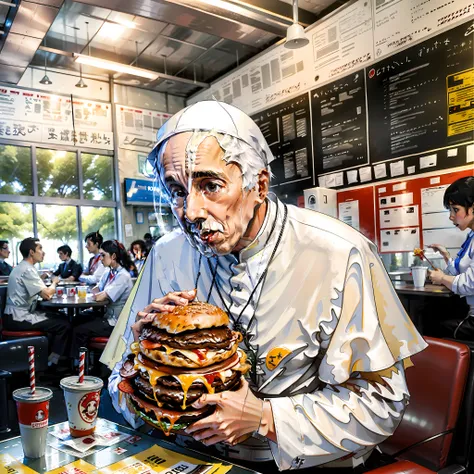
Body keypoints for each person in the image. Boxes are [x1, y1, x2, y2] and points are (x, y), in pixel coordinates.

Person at [106, 101, 427, 473]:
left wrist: (266, 417)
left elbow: (382, 404)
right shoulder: (166, 254)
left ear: (259, 185)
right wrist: (141, 360)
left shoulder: (339, 252)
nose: (190, 211)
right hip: (190, 457)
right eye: (176, 191)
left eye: (210, 186)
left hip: (302, 463)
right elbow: (119, 386)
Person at [3, 237, 71, 368]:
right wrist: (55, 282)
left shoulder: (24, 267)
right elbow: (47, 294)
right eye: (40, 248)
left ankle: (50, 358)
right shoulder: (27, 269)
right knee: (64, 325)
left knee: (59, 317)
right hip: (17, 318)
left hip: (15, 314)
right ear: (31, 252)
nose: (43, 252)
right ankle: (52, 364)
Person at [70, 240, 133, 360]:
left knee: (80, 330)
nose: (100, 259)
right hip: (105, 315)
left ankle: (79, 365)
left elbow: (100, 296)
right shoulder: (109, 272)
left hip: (115, 322)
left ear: (113, 256)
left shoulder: (123, 276)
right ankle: (74, 360)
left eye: (103, 255)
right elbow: (96, 289)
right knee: (76, 319)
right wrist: (95, 293)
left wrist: (95, 294)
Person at [429, 176, 474, 339]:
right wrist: (446, 255)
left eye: (455, 209)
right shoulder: (471, 236)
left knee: (429, 326)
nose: (451, 216)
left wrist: (441, 278)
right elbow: (460, 275)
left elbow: (468, 285)